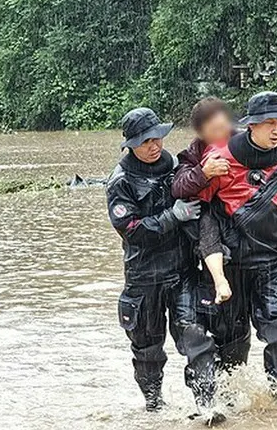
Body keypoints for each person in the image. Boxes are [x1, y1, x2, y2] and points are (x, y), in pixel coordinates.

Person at [197, 91, 277, 408]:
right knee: (231, 344)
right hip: (231, 264)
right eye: (269, 123)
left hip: (272, 263)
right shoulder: (220, 158)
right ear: (251, 125)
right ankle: (226, 404)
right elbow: (203, 207)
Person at [106, 107, 222, 424]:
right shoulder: (121, 183)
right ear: (130, 144)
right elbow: (132, 230)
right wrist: (173, 215)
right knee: (147, 350)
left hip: (183, 271)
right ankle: (154, 409)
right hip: (143, 277)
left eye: (158, 137)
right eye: (146, 141)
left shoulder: (176, 166)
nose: (154, 145)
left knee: (196, 336)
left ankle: (207, 406)